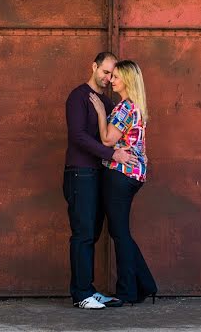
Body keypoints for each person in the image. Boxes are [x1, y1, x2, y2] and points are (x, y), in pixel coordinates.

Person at [64, 52, 137, 310]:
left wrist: (136, 152)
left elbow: (115, 134)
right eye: (105, 72)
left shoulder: (106, 103)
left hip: (97, 175)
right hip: (79, 173)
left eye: (112, 74)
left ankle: (88, 289)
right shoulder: (78, 97)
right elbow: (78, 137)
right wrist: (111, 153)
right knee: (82, 234)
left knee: (92, 233)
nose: (108, 78)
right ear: (94, 66)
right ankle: (81, 294)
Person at [89, 59, 157, 305]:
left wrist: (99, 112)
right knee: (121, 233)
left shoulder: (124, 108)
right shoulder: (138, 107)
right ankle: (145, 284)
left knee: (120, 234)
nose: (111, 80)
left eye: (116, 76)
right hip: (134, 175)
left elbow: (107, 140)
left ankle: (128, 291)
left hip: (119, 174)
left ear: (127, 80)